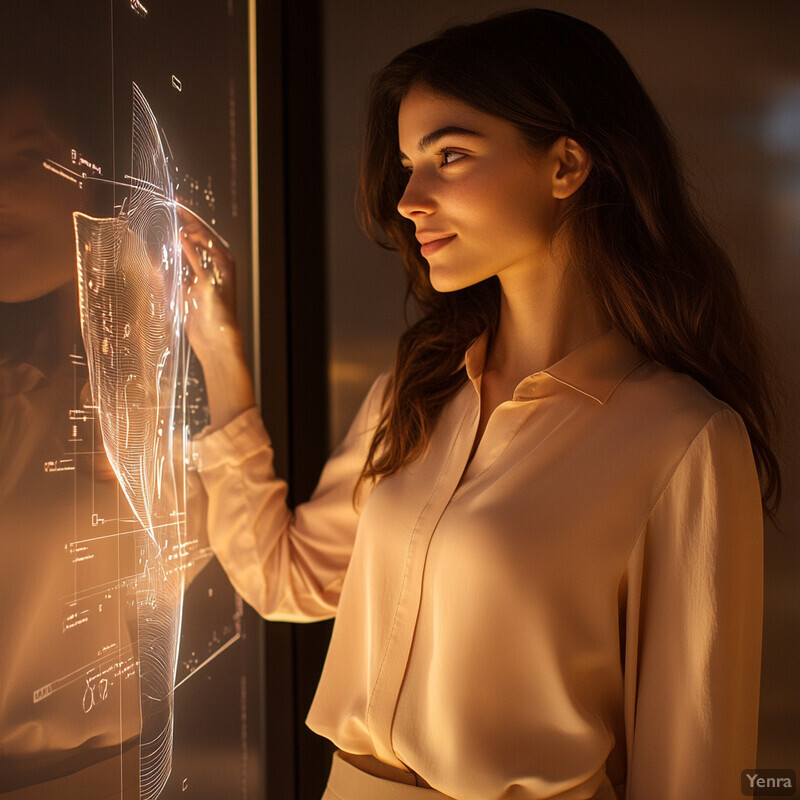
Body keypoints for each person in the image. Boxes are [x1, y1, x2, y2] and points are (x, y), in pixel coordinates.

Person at [180, 9, 780, 800]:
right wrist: (218, 349)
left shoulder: (685, 440)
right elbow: (286, 578)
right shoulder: (417, 388)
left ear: (566, 165)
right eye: (406, 165)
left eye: (449, 157)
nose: (409, 199)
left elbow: (694, 769)